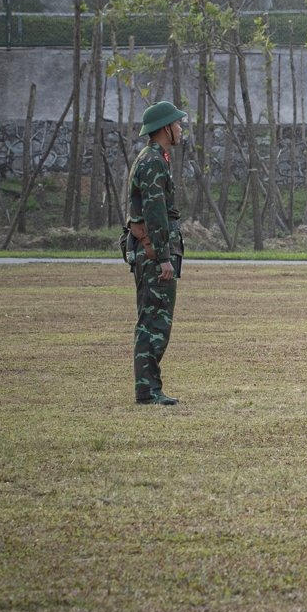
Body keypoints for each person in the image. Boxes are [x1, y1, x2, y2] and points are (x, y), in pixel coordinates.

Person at [127, 100, 188, 406]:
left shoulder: (154, 158)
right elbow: (155, 212)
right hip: (154, 256)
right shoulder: (153, 161)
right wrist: (163, 256)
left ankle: (149, 388)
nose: (180, 129)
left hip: (151, 252)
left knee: (152, 321)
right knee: (154, 322)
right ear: (165, 128)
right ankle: (148, 390)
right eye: (177, 124)